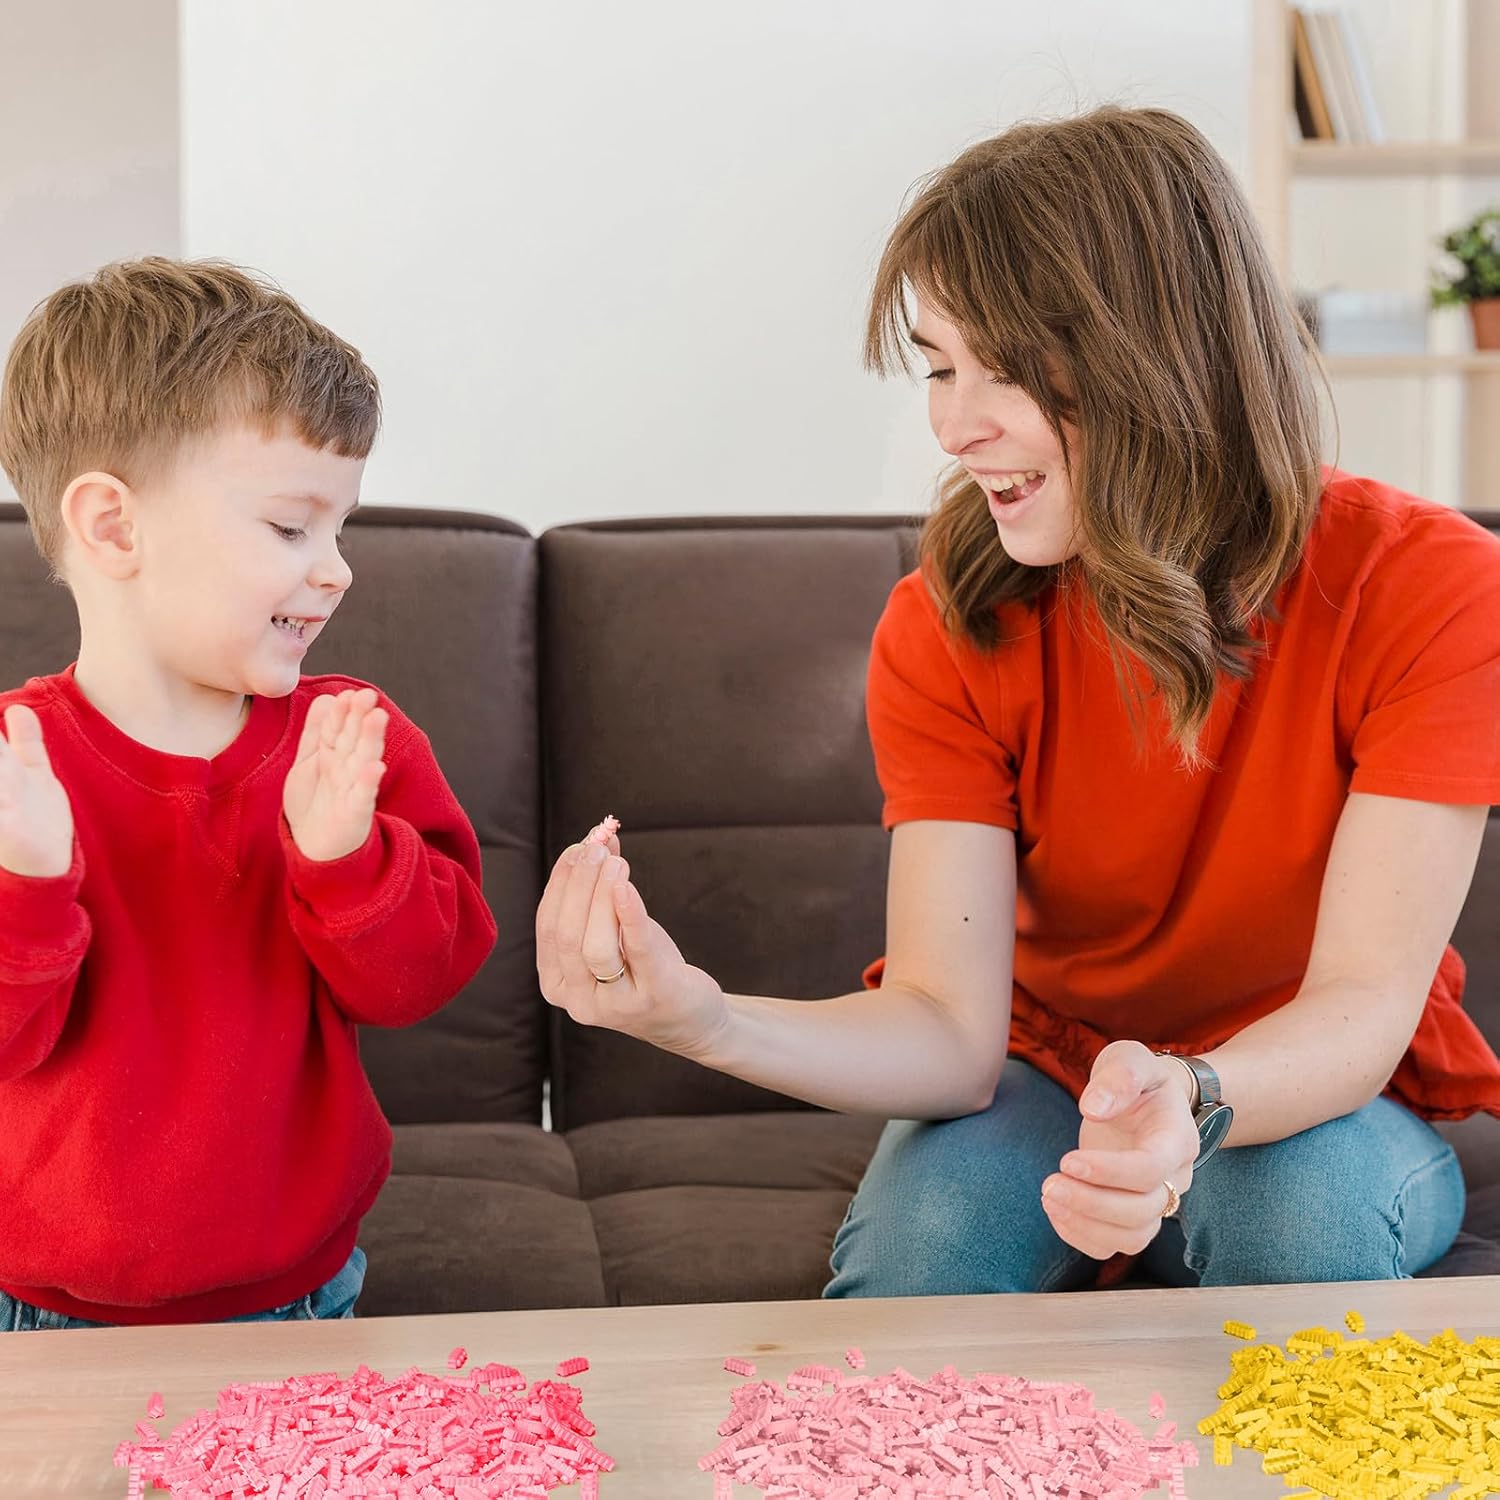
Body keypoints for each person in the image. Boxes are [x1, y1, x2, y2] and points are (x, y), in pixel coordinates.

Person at [536, 106, 1500, 1294]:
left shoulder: (1433, 588)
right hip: (1043, 1076)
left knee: (1290, 1214)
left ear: (1158, 352)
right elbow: (948, 1029)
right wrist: (697, 1018)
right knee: (922, 1253)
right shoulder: (947, 625)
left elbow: (1360, 1004)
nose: (953, 424)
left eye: (1005, 370)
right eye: (941, 366)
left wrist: (1191, 1100)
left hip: (1312, 1092)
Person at [0, 258, 497, 1328]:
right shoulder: (13, 772)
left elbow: (422, 980)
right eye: (289, 528)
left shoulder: (348, 739)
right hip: (34, 1316)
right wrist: (27, 889)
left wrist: (346, 865)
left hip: (301, 1298)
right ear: (114, 527)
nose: (337, 569)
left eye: (339, 527)